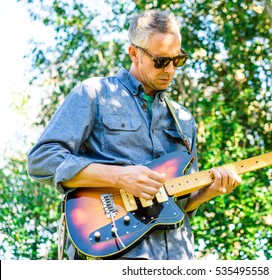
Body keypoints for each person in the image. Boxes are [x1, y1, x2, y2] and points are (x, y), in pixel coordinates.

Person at [27, 9, 242, 260]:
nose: (170, 70)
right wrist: (120, 177)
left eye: (178, 60)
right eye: (161, 61)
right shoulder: (94, 93)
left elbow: (176, 205)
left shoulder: (184, 120)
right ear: (134, 53)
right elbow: (42, 160)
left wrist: (208, 192)